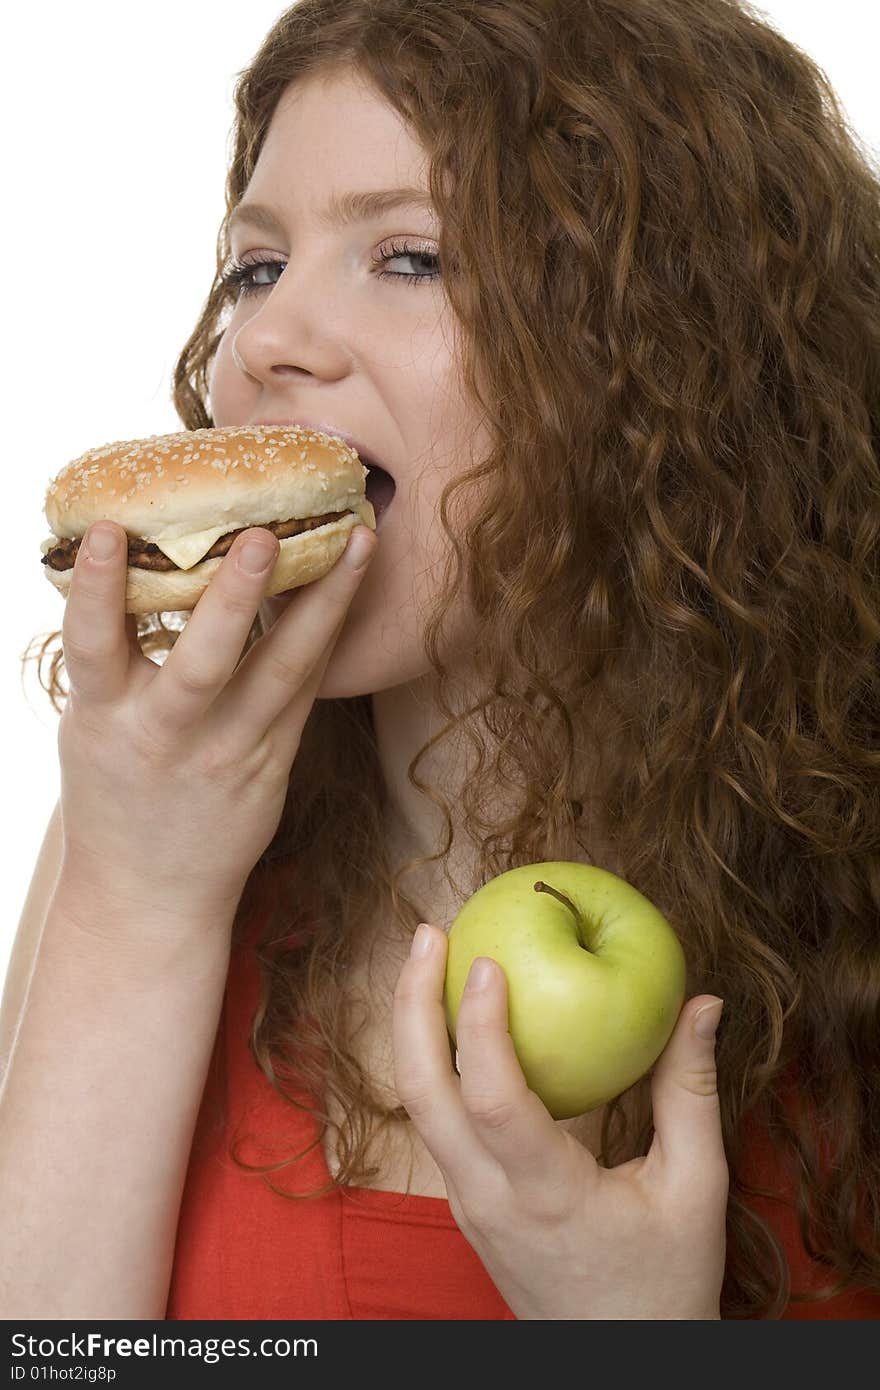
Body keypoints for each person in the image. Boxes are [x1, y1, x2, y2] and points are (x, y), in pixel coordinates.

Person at [3, 0, 879, 1320]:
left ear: (662, 352)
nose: (266, 342)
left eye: (408, 257)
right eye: (256, 269)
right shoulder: (141, 826)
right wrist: (139, 897)